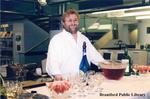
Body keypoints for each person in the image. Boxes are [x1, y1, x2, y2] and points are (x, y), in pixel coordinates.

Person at [46, 9, 107, 80]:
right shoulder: (57, 40)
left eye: (75, 20)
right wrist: (59, 79)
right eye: (69, 20)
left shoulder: (84, 39)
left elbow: (96, 57)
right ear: (63, 23)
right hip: (66, 83)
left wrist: (110, 66)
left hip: (84, 82)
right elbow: (52, 63)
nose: (73, 23)